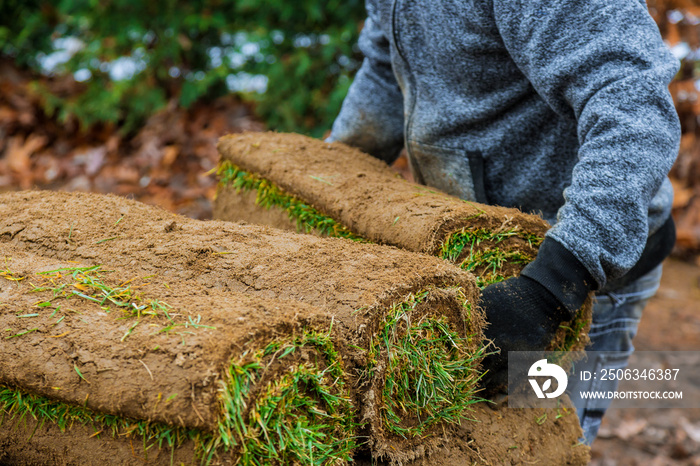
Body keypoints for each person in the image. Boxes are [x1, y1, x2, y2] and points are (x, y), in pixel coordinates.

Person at [327, 0, 679, 445]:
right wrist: (332, 169)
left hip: (573, 270)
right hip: (479, 251)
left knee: (534, 447)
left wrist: (554, 284)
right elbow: (387, 64)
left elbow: (633, 103)